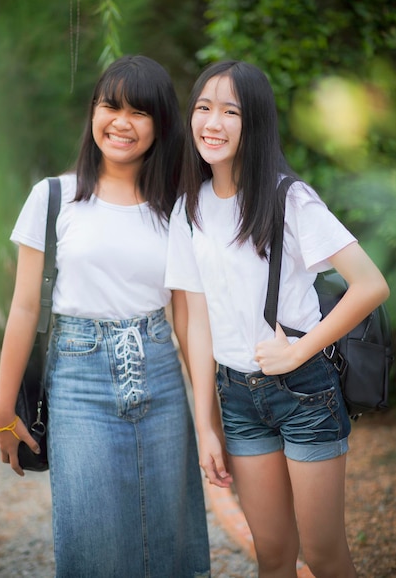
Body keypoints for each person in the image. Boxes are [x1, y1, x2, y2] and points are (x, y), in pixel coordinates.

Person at [165, 60, 390, 578]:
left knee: (326, 554)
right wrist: (206, 425)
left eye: (230, 111)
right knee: (272, 554)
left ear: (255, 122)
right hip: (237, 397)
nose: (212, 123)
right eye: (203, 108)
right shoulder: (189, 209)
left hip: (304, 390)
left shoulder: (290, 199)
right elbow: (195, 323)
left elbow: (371, 284)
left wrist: (296, 351)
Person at [0, 55, 210, 578]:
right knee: (94, 541)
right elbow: (23, 307)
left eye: (139, 112)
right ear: (94, 113)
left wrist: (209, 414)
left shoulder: (176, 206)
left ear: (160, 126)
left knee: (166, 539)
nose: (122, 122)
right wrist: (2, 410)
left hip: (159, 372)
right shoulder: (53, 196)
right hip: (77, 378)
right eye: (111, 106)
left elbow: (187, 317)